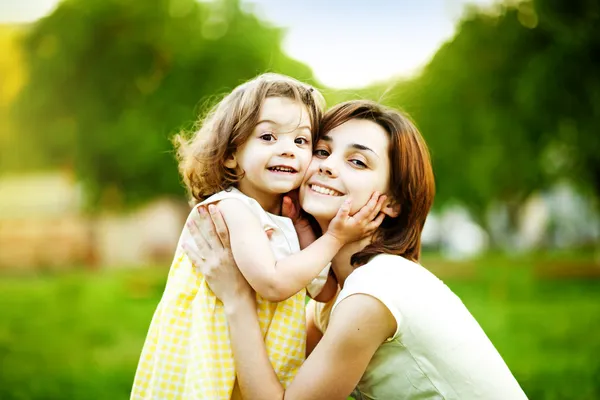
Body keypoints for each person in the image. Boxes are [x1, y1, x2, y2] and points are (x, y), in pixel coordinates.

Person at [185, 100, 529, 399]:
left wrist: (236, 297)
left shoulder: (374, 292)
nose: (327, 166)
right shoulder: (336, 293)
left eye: (357, 162)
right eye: (321, 151)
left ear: (392, 201)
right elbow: (269, 363)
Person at [130, 74, 384, 400]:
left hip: (245, 367)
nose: (288, 151)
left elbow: (323, 290)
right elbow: (274, 284)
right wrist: (333, 238)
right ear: (230, 153)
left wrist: (305, 232)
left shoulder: (285, 221)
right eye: (268, 136)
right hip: (208, 362)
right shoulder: (233, 209)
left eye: (301, 141)